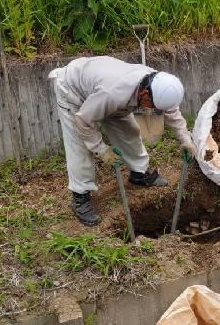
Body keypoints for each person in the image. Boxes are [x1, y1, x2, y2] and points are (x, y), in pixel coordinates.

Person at [49, 57, 196, 227]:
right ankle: (80, 196)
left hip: (106, 91)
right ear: (144, 93)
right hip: (73, 90)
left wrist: (186, 140)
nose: (153, 111)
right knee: (80, 146)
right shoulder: (113, 94)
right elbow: (83, 120)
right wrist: (101, 150)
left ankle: (139, 173)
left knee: (130, 131)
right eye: (152, 106)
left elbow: (171, 113)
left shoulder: (160, 86)